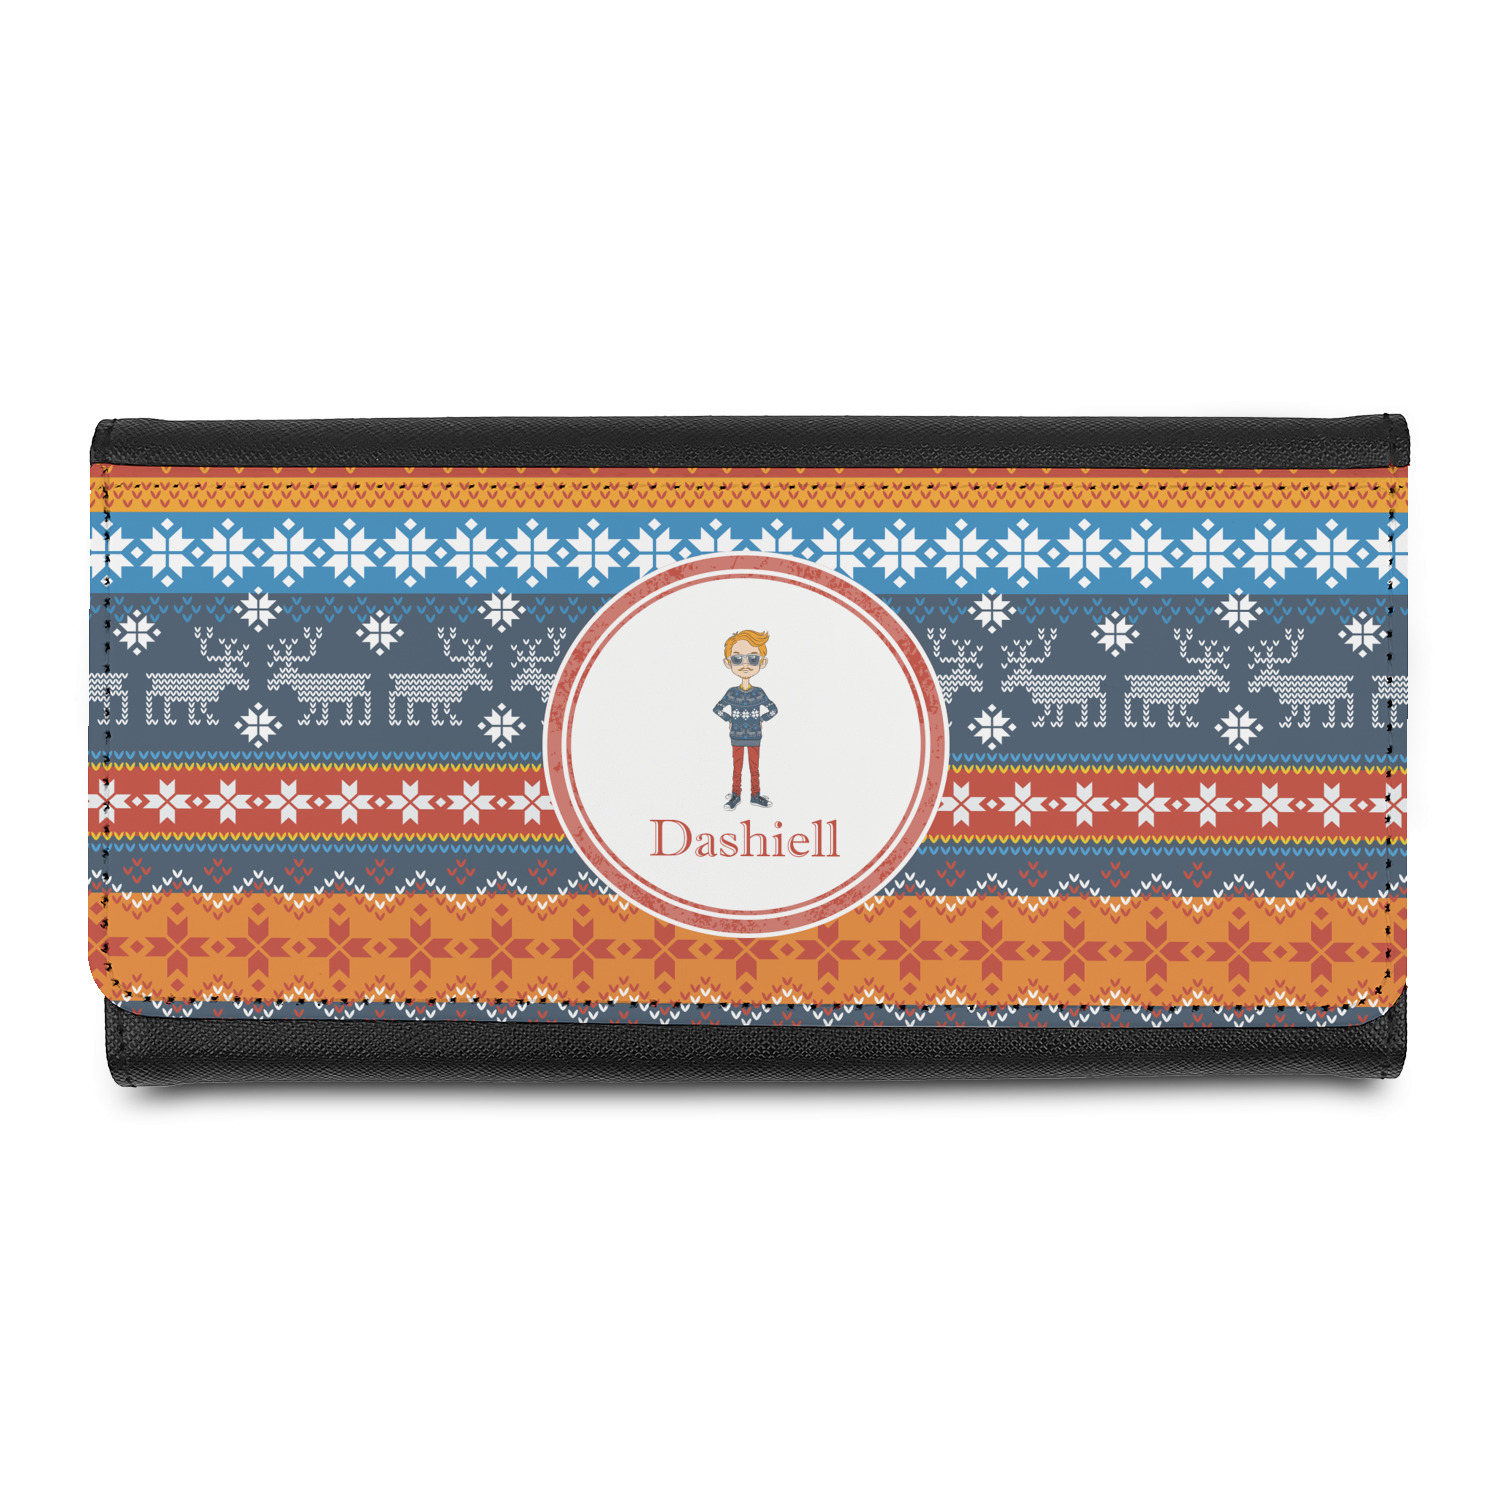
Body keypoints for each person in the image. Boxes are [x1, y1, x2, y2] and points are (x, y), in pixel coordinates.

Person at [711, 628, 777, 809]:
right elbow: (717, 708)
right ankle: (736, 795)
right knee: (737, 768)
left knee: (754, 768)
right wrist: (729, 719)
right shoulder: (732, 693)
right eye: (737, 659)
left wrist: (762, 719)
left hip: (755, 736)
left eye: (753, 659)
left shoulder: (759, 693)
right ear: (728, 662)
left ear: (762, 662)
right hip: (737, 736)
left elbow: (773, 709)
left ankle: (755, 795)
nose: (745, 664)